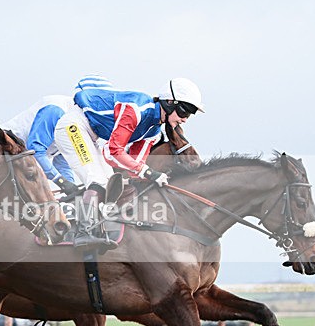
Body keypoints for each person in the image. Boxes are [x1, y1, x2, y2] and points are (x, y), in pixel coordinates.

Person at [54, 75, 204, 248]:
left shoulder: (153, 132)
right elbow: (114, 151)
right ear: (169, 102)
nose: (184, 119)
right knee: (96, 180)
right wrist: (148, 172)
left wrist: (158, 178)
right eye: (184, 111)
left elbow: (134, 166)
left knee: (108, 183)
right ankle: (83, 232)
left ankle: (96, 229)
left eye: (189, 115)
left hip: (93, 136)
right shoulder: (136, 109)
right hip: (73, 126)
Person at [0, 96, 82, 197]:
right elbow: (35, 149)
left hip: (24, 161)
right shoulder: (56, 111)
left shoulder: (80, 126)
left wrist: (71, 187)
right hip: (5, 150)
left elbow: (62, 163)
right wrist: (61, 181)